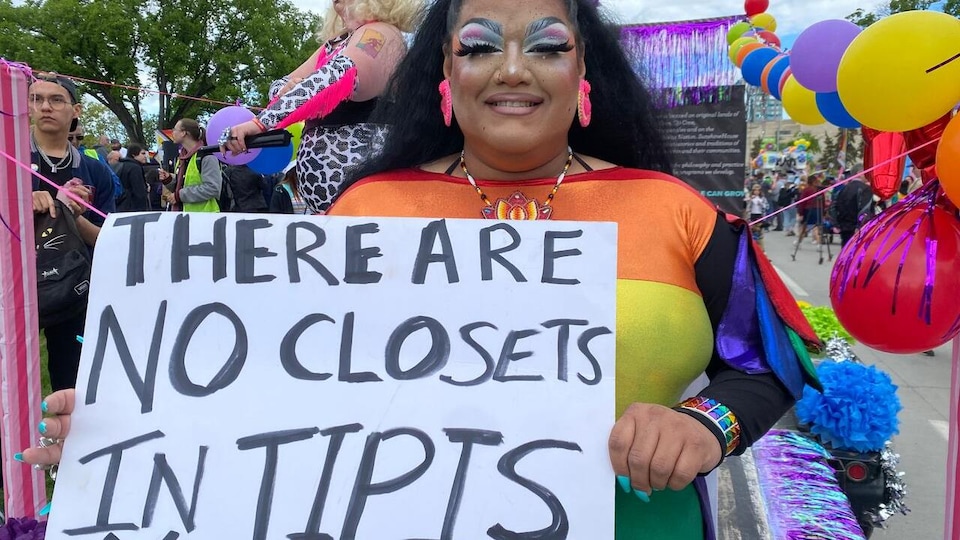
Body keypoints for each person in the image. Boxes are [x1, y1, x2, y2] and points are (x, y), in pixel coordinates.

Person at [26, 2, 822, 537]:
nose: (512, 68)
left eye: (547, 45)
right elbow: (264, 381)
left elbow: (767, 365)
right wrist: (126, 434)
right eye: (479, 46)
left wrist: (701, 426)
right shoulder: (367, 207)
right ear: (444, 76)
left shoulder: (674, 209)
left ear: (585, 76)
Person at [223, 0, 422, 213]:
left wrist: (261, 122)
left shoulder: (379, 34)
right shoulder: (339, 42)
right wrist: (290, 89)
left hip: (365, 192)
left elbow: (338, 75)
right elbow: (280, 85)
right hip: (340, 205)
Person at [28, 74, 116, 391]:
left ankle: (68, 439)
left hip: (73, 290)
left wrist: (70, 216)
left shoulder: (95, 171)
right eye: (36, 99)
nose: (45, 107)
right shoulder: (11, 160)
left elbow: (108, 238)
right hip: (16, 289)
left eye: (56, 100)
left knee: (73, 377)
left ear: (75, 110)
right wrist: (23, 205)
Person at [158, 118, 222, 212]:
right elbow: (183, 185)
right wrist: (169, 180)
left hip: (205, 219)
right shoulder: (182, 158)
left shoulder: (207, 157)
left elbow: (212, 188)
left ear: (184, 133)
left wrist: (179, 196)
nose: (172, 133)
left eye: (175, 129)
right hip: (185, 218)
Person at [832, 172, 874, 247]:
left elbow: (834, 206)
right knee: (856, 252)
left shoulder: (844, 188)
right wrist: (860, 226)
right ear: (860, 173)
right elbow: (865, 209)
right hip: (857, 228)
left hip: (844, 227)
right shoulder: (865, 189)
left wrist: (836, 224)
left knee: (845, 250)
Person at [113, 143, 150, 211]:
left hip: (120, 205)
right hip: (133, 206)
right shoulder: (135, 168)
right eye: (143, 153)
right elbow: (139, 192)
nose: (145, 156)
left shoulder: (120, 165)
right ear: (134, 154)